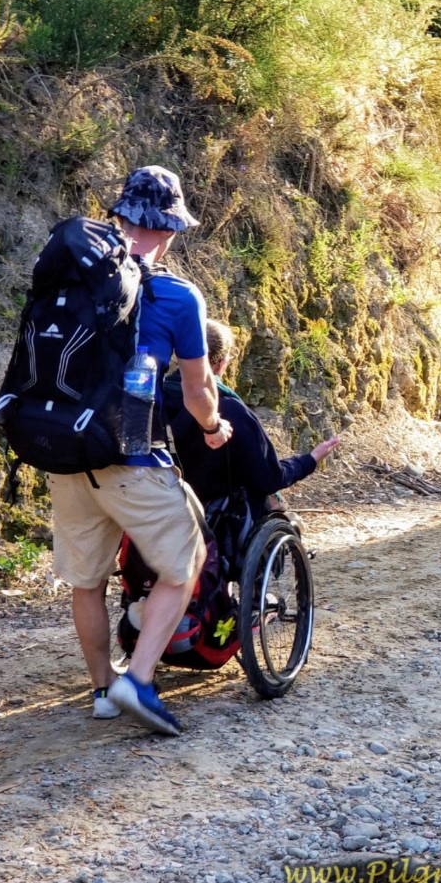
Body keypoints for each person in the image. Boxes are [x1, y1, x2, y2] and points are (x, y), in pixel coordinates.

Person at [48, 165, 233, 737]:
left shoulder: (71, 279)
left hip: (65, 453)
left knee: (87, 582)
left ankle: (103, 689)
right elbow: (200, 390)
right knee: (186, 563)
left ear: (120, 215)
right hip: (131, 458)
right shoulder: (177, 295)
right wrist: (213, 426)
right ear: (170, 229)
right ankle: (140, 680)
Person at [163, 319, 341, 521]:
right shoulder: (231, 410)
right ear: (221, 362)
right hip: (220, 520)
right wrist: (309, 459)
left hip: (158, 510)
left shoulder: (153, 399)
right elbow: (269, 479)